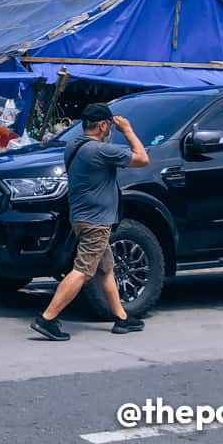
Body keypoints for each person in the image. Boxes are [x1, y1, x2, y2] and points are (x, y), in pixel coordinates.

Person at [31, 103, 150, 341]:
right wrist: (127, 130)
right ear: (103, 125)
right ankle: (47, 318)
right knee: (83, 270)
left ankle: (121, 318)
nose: (111, 132)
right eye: (110, 127)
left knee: (106, 269)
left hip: (82, 218)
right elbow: (142, 159)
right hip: (96, 223)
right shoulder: (99, 150)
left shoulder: (74, 145)